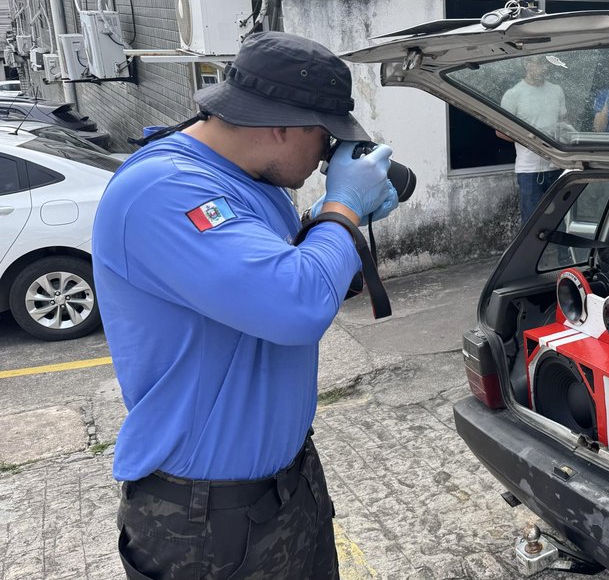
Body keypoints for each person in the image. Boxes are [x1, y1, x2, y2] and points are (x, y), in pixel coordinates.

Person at [92, 31, 398, 580]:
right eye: (325, 138)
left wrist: (346, 223)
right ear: (281, 124)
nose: (328, 156)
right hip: (204, 517)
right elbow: (295, 305)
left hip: (289, 486)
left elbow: (293, 279)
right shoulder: (165, 189)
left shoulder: (253, 184)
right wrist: (343, 210)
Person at [498, 54, 566, 222]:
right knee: (531, 223)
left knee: (558, 221)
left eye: (546, 62)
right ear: (526, 63)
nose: (544, 67)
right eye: (539, 62)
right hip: (529, 170)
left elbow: (563, 122)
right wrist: (530, 140)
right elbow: (500, 131)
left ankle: (561, 250)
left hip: (556, 166)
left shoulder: (556, 90)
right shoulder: (513, 94)